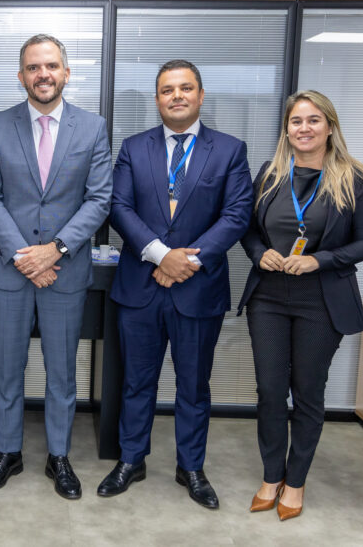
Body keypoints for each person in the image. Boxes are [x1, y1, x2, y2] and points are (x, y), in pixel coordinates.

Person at [100, 60, 253, 508]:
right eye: (167, 90)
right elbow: (119, 207)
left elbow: (236, 215)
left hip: (197, 288)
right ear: (157, 99)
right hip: (141, 286)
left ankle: (191, 467)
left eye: (186, 88)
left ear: (201, 95)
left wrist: (185, 260)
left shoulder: (229, 150)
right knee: (136, 381)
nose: (177, 96)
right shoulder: (133, 147)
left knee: (194, 385)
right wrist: (160, 255)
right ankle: (132, 459)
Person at [0, 34, 112, 500]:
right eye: (33, 67)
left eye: (51, 65)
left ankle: (59, 456)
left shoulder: (92, 128)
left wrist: (55, 250)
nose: (43, 74)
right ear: (21, 77)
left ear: (66, 72)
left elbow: (99, 200)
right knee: (7, 372)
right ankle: (8, 452)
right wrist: (24, 257)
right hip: (10, 272)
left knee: (62, 374)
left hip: (65, 272)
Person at [238, 90, 363, 520]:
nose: (304, 128)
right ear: (287, 128)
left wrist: (319, 259)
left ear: (330, 127)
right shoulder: (269, 174)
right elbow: (246, 229)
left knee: (308, 394)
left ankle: (295, 482)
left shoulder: (355, 178)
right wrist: (257, 252)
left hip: (321, 301)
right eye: (296, 121)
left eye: (313, 120)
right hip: (268, 297)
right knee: (268, 391)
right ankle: (270, 475)